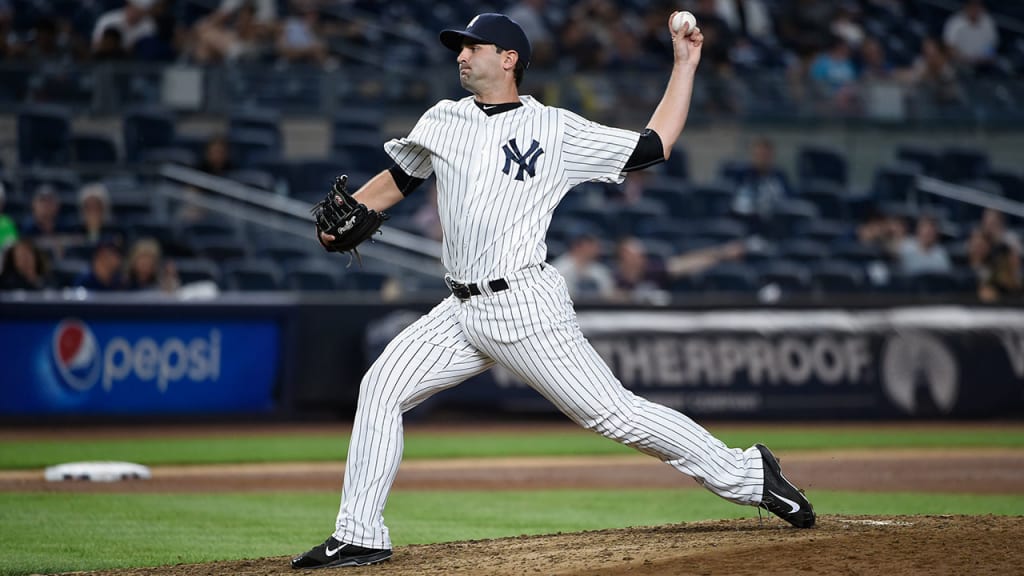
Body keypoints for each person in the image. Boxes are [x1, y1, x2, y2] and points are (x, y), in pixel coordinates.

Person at [291, 13, 814, 570]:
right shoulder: (442, 118)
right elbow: (398, 179)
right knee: (380, 388)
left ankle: (748, 474)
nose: (461, 56)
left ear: (508, 59)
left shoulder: (554, 128)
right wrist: (345, 217)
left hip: (523, 304)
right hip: (458, 309)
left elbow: (653, 145)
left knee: (615, 416)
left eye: (474, 47)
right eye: (459, 48)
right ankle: (360, 534)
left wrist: (684, 64)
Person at [550, 232, 615, 299]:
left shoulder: (600, 270)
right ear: (577, 246)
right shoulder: (559, 268)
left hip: (597, 305)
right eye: (590, 246)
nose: (595, 250)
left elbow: (609, 294)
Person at [942, 0, 998, 73]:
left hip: (983, 63)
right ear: (966, 7)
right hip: (961, 62)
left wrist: (984, 57)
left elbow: (992, 45)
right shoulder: (955, 22)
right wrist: (966, 59)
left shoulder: (988, 21)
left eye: (978, 6)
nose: (975, 9)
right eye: (972, 6)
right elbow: (949, 48)